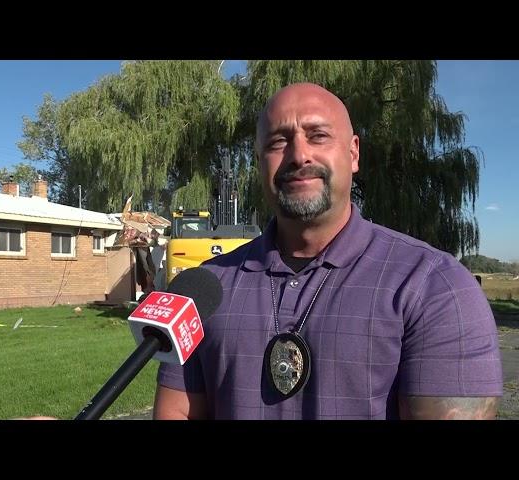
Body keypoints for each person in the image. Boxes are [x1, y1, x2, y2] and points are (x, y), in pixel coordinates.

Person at [154, 82, 503, 420]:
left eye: (318, 135)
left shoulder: (435, 287)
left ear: (353, 153)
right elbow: (178, 411)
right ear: (259, 162)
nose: (299, 154)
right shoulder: (205, 289)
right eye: (278, 142)